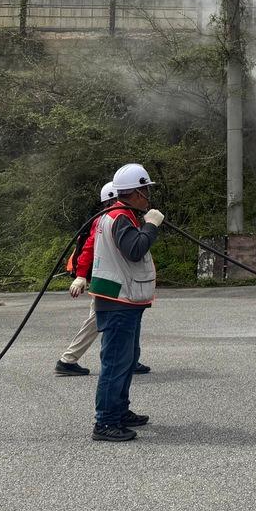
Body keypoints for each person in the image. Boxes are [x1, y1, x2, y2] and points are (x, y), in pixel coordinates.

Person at [90, 162, 164, 442]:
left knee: (125, 359)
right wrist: (151, 226)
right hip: (118, 300)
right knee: (116, 362)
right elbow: (134, 250)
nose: (148, 195)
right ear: (133, 191)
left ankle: (119, 411)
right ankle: (106, 422)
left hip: (122, 299)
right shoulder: (121, 216)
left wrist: (145, 224)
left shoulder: (120, 215)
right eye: (145, 189)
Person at [55, 182, 152, 378]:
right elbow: (90, 247)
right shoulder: (109, 218)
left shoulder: (117, 217)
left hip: (114, 281)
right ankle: (67, 360)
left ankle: (131, 359)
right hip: (109, 283)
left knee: (125, 319)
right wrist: (81, 275)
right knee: (96, 321)